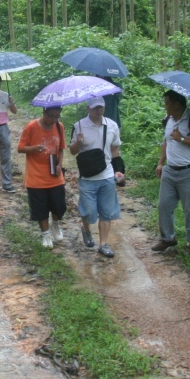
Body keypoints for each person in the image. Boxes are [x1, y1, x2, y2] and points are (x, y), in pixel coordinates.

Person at [153, 90, 190, 252]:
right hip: (170, 170)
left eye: (167, 103)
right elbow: (166, 141)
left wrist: (182, 138)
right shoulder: (169, 119)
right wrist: (160, 163)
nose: (165, 106)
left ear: (177, 104)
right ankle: (168, 238)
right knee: (164, 205)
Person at [68, 97, 122, 259]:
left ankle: (103, 244)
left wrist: (119, 171)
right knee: (89, 212)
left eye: (101, 107)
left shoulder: (112, 125)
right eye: (95, 107)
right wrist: (78, 142)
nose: (99, 110)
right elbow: (72, 151)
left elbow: (115, 150)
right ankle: (86, 229)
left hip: (107, 175)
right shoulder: (79, 126)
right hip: (87, 177)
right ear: (88, 109)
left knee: (106, 212)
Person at [18, 105, 67, 248]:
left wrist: (59, 165)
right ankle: (45, 234)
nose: (53, 120)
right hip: (36, 176)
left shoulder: (59, 127)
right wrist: (33, 148)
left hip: (55, 175)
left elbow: (61, 148)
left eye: (57, 116)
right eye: (51, 116)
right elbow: (20, 148)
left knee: (59, 205)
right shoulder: (31, 127)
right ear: (44, 112)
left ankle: (55, 224)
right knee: (41, 208)